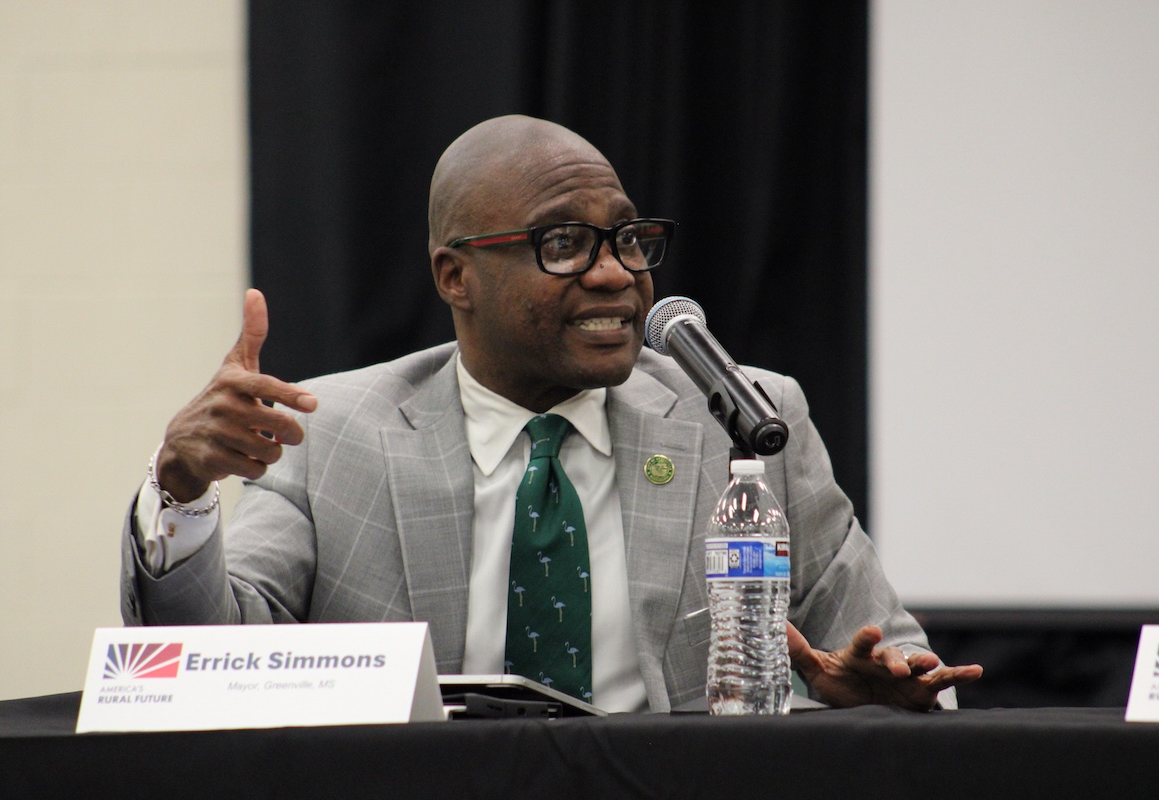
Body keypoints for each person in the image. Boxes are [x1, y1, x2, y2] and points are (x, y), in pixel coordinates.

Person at [121, 114, 981, 713]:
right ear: (455, 276)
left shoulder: (743, 420)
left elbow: (902, 663)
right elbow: (212, 666)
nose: (616, 273)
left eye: (628, 237)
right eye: (562, 244)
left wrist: (886, 692)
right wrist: (182, 490)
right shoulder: (341, 431)